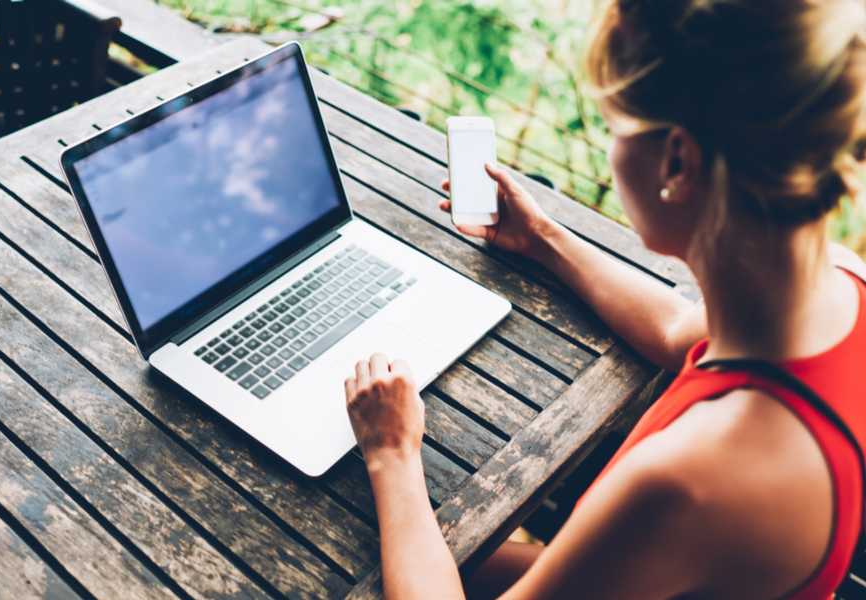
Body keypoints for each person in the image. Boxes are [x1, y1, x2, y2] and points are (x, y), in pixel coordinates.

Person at [342, 0, 866, 598]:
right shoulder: (842, 281)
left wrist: (393, 456)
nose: (611, 149)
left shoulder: (689, 479)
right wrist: (542, 238)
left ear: (677, 160)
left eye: (615, 128)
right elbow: (676, 330)